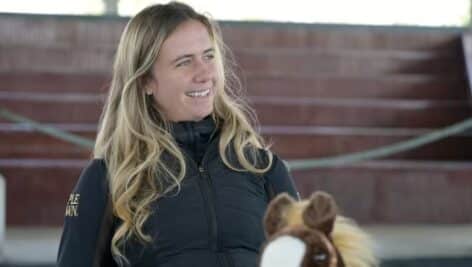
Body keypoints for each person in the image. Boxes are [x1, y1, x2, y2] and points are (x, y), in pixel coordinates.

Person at [57, 2, 299, 267]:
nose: (205, 73)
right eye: (184, 62)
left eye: (208, 56)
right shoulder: (106, 179)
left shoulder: (263, 169)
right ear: (145, 81)